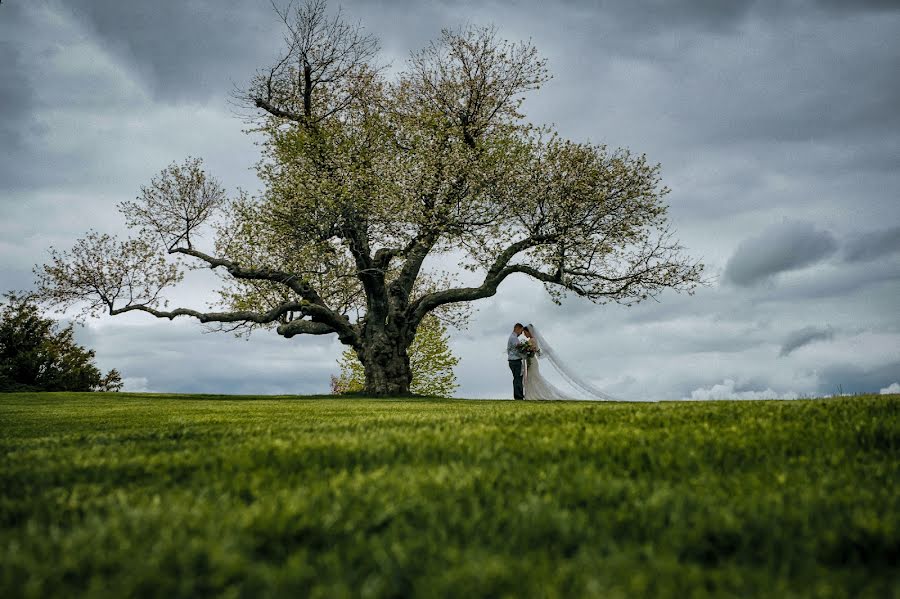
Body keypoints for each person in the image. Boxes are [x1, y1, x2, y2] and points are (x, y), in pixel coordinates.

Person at [520, 323, 620, 401]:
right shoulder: (532, 340)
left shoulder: (532, 340)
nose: (524, 334)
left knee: (533, 377)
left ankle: (534, 395)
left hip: (532, 361)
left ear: (529, 331)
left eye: (525, 332)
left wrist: (525, 351)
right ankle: (532, 394)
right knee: (533, 377)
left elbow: (534, 351)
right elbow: (538, 352)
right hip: (532, 360)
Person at [507, 323, 525, 400]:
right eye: (521, 331)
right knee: (518, 378)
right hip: (515, 361)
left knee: (517, 378)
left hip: (512, 361)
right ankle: (518, 396)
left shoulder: (512, 337)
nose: (521, 333)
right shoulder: (514, 338)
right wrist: (525, 353)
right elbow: (519, 350)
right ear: (517, 328)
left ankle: (518, 395)